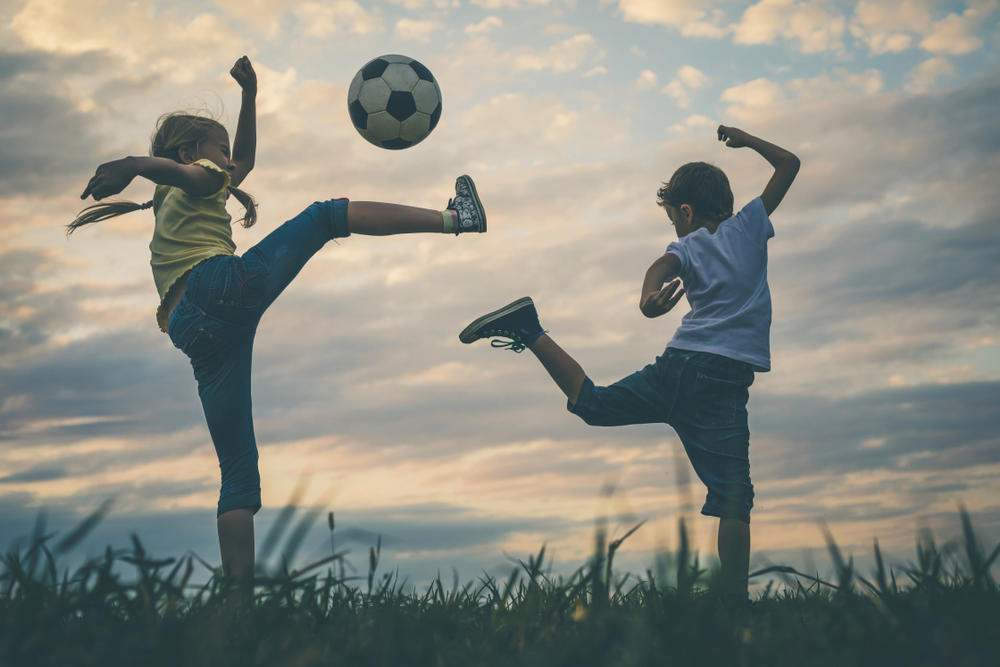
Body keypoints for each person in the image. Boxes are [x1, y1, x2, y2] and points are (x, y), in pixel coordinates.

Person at [69, 56, 487, 585]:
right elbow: (194, 169)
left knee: (238, 478)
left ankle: (239, 611)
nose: (229, 163)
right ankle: (456, 219)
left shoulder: (171, 191)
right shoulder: (192, 178)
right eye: (217, 151)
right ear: (190, 152)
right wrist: (133, 161)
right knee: (326, 216)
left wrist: (249, 96)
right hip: (218, 288)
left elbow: (235, 160)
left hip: (193, 333)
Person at [459, 126, 799, 600]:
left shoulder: (689, 244)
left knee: (593, 405)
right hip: (719, 382)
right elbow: (789, 165)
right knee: (734, 499)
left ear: (685, 212)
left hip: (682, 368)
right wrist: (746, 140)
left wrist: (647, 301)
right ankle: (735, 605)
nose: (675, 230)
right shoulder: (751, 223)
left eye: (674, 220)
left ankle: (528, 329)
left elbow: (659, 268)